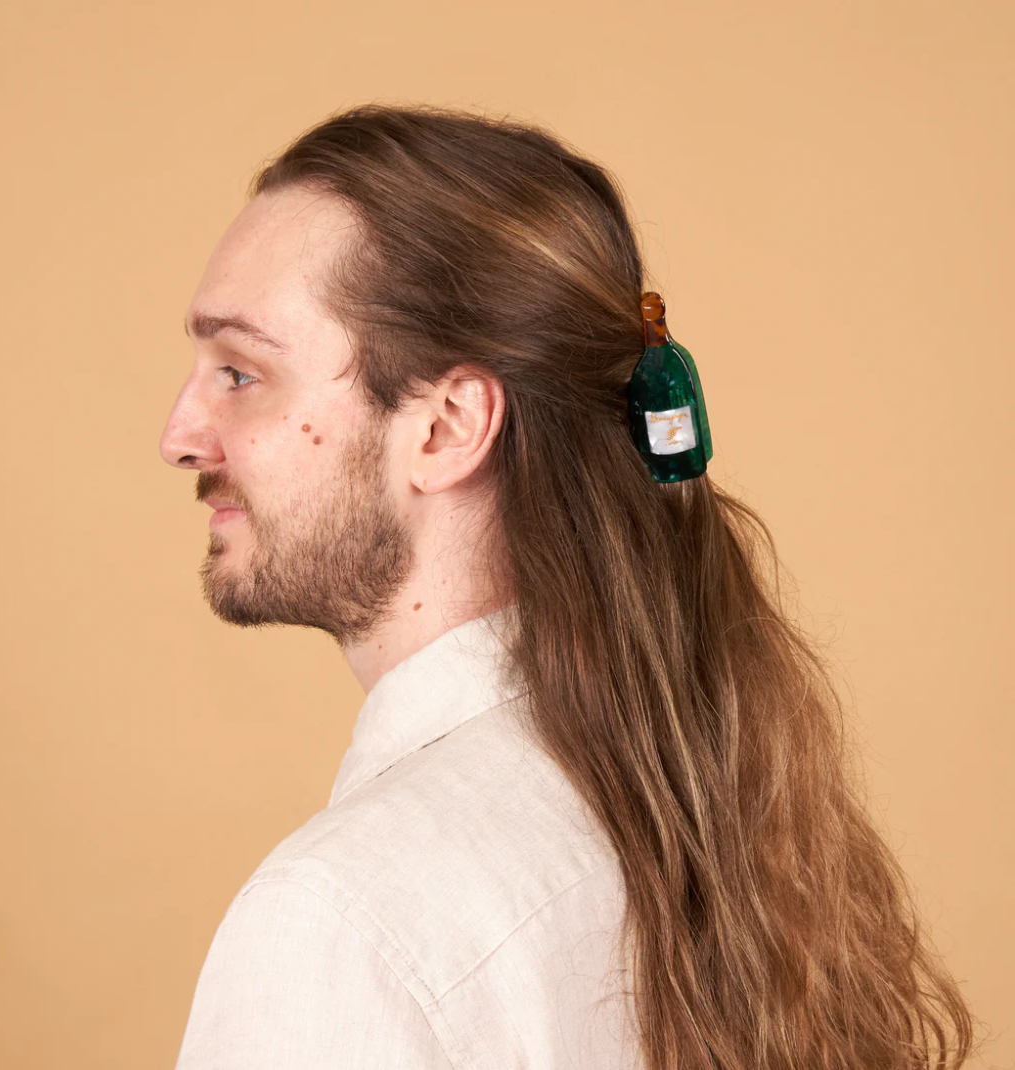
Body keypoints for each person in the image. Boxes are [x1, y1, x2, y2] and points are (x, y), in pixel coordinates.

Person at [159, 105, 977, 1069]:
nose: (179, 436)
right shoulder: (698, 810)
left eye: (241, 373)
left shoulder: (334, 926)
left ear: (447, 426)